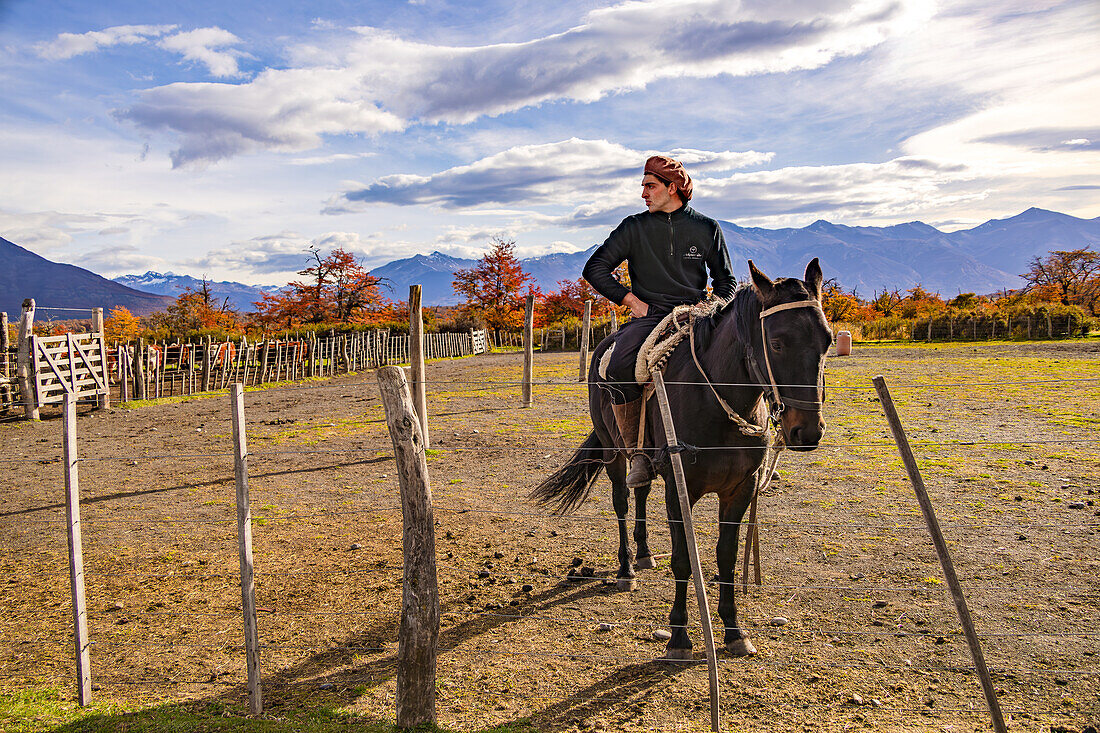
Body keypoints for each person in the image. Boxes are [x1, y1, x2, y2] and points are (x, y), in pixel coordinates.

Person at [582, 155, 736, 487]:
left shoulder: (707, 228)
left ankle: (755, 441)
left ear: (673, 188)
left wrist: (713, 308)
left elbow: (727, 283)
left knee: (742, 351)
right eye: (643, 187)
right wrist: (630, 300)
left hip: (695, 316)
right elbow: (594, 269)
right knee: (619, 365)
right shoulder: (633, 227)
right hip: (649, 317)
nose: (643, 194)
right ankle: (638, 454)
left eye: (650, 186)